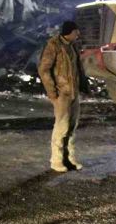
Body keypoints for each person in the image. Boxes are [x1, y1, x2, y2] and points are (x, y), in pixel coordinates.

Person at [38, 20, 86, 172]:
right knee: (62, 127)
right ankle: (56, 161)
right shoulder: (53, 45)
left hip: (73, 92)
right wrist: (52, 92)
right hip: (61, 93)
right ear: (70, 32)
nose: (78, 35)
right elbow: (44, 70)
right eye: (76, 32)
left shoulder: (72, 46)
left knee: (71, 127)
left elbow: (77, 68)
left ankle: (69, 160)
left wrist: (83, 86)